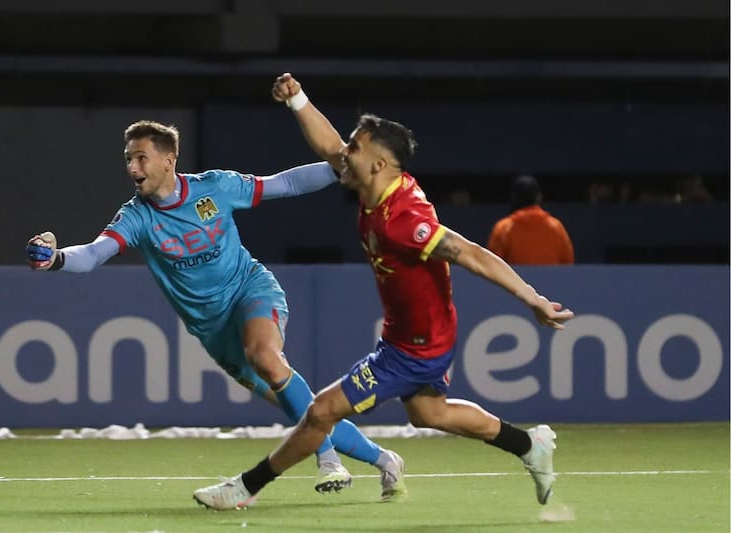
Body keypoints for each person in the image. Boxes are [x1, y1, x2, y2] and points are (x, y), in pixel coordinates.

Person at [193, 74, 575, 510]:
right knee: (429, 413)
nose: (344, 151)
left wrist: (533, 299)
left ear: (377, 164)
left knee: (321, 412)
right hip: (421, 334)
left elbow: (470, 253)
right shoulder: (373, 183)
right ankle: (529, 445)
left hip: (414, 349)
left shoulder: (403, 219)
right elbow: (327, 146)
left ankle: (245, 488)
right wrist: (297, 99)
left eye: (354, 147)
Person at [24, 119, 407, 496]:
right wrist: (55, 258)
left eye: (141, 158)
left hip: (250, 291)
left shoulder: (215, 187)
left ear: (169, 159)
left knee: (267, 358)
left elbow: (285, 183)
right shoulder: (137, 217)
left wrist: (340, 166)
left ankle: (328, 460)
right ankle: (385, 460)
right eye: (128, 159)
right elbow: (92, 254)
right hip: (213, 331)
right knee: (302, 407)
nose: (132, 168)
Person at [487, 175, 574, 265]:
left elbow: (494, 266)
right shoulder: (556, 226)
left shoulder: (503, 228)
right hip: (552, 279)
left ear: (514, 197)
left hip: (516, 279)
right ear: (538, 197)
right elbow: (567, 262)